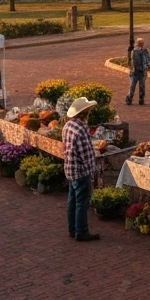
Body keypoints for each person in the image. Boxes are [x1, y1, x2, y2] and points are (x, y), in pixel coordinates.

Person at [62, 96, 100, 241]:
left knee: (72, 201)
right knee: (82, 202)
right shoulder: (81, 129)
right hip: (81, 171)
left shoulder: (68, 125)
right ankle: (81, 231)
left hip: (70, 169)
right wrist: (92, 169)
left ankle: (72, 229)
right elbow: (86, 153)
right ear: (84, 113)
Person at [125, 38, 150, 106]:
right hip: (134, 72)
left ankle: (141, 100)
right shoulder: (134, 51)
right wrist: (130, 68)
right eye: (140, 43)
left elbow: (147, 60)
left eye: (142, 43)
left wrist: (146, 70)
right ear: (137, 43)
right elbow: (130, 60)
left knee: (142, 86)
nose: (141, 45)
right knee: (132, 86)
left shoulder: (145, 51)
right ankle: (129, 99)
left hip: (142, 71)